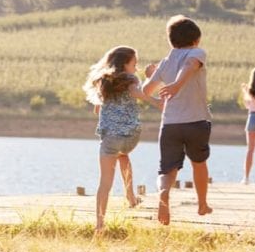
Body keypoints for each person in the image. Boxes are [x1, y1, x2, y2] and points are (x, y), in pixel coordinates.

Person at [83, 45, 163, 232]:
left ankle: (100, 224)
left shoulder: (104, 81)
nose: (136, 68)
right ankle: (131, 198)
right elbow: (137, 91)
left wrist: (105, 110)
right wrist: (155, 101)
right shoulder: (131, 78)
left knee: (105, 182)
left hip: (110, 137)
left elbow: (98, 107)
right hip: (130, 136)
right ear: (125, 64)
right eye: (134, 64)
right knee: (123, 155)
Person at [143, 15, 212, 225]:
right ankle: (202, 204)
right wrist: (177, 85)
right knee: (198, 163)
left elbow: (145, 90)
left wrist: (154, 78)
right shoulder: (197, 52)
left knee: (166, 169)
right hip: (196, 120)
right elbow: (190, 66)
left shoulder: (165, 62)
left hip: (170, 124)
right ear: (196, 39)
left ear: (171, 40)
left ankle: (163, 195)